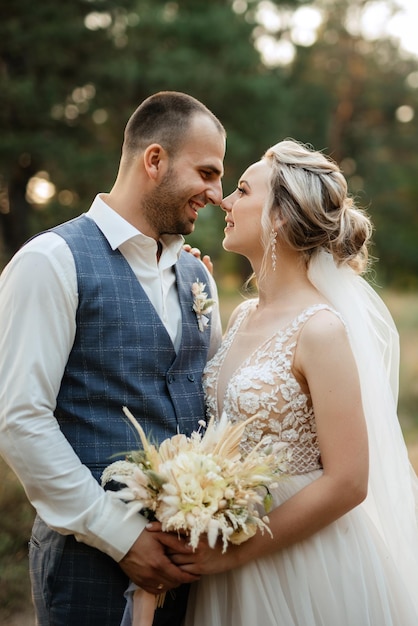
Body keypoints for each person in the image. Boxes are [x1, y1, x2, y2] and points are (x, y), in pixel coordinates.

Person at [156, 139, 418, 625]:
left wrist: (235, 553)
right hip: (230, 552)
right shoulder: (242, 314)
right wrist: (193, 300)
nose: (224, 201)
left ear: (279, 215)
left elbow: (349, 481)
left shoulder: (321, 329)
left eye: (240, 190)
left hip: (301, 562)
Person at [0, 91, 226, 626]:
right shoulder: (50, 262)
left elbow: (211, 398)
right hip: (87, 563)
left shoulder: (198, 277)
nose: (217, 194)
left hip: (193, 566)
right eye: (207, 172)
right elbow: (20, 419)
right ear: (154, 160)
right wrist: (122, 537)